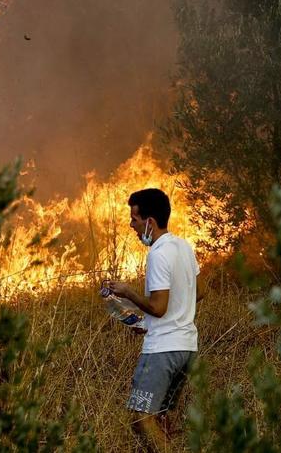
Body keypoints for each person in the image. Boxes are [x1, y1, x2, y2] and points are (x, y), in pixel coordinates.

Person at [107, 188, 205, 453]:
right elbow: (200, 291)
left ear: (149, 222)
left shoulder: (158, 254)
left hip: (162, 351)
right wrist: (149, 322)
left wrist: (127, 293)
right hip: (186, 348)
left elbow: (159, 308)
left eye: (135, 219)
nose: (131, 225)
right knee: (159, 417)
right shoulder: (183, 246)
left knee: (140, 418)